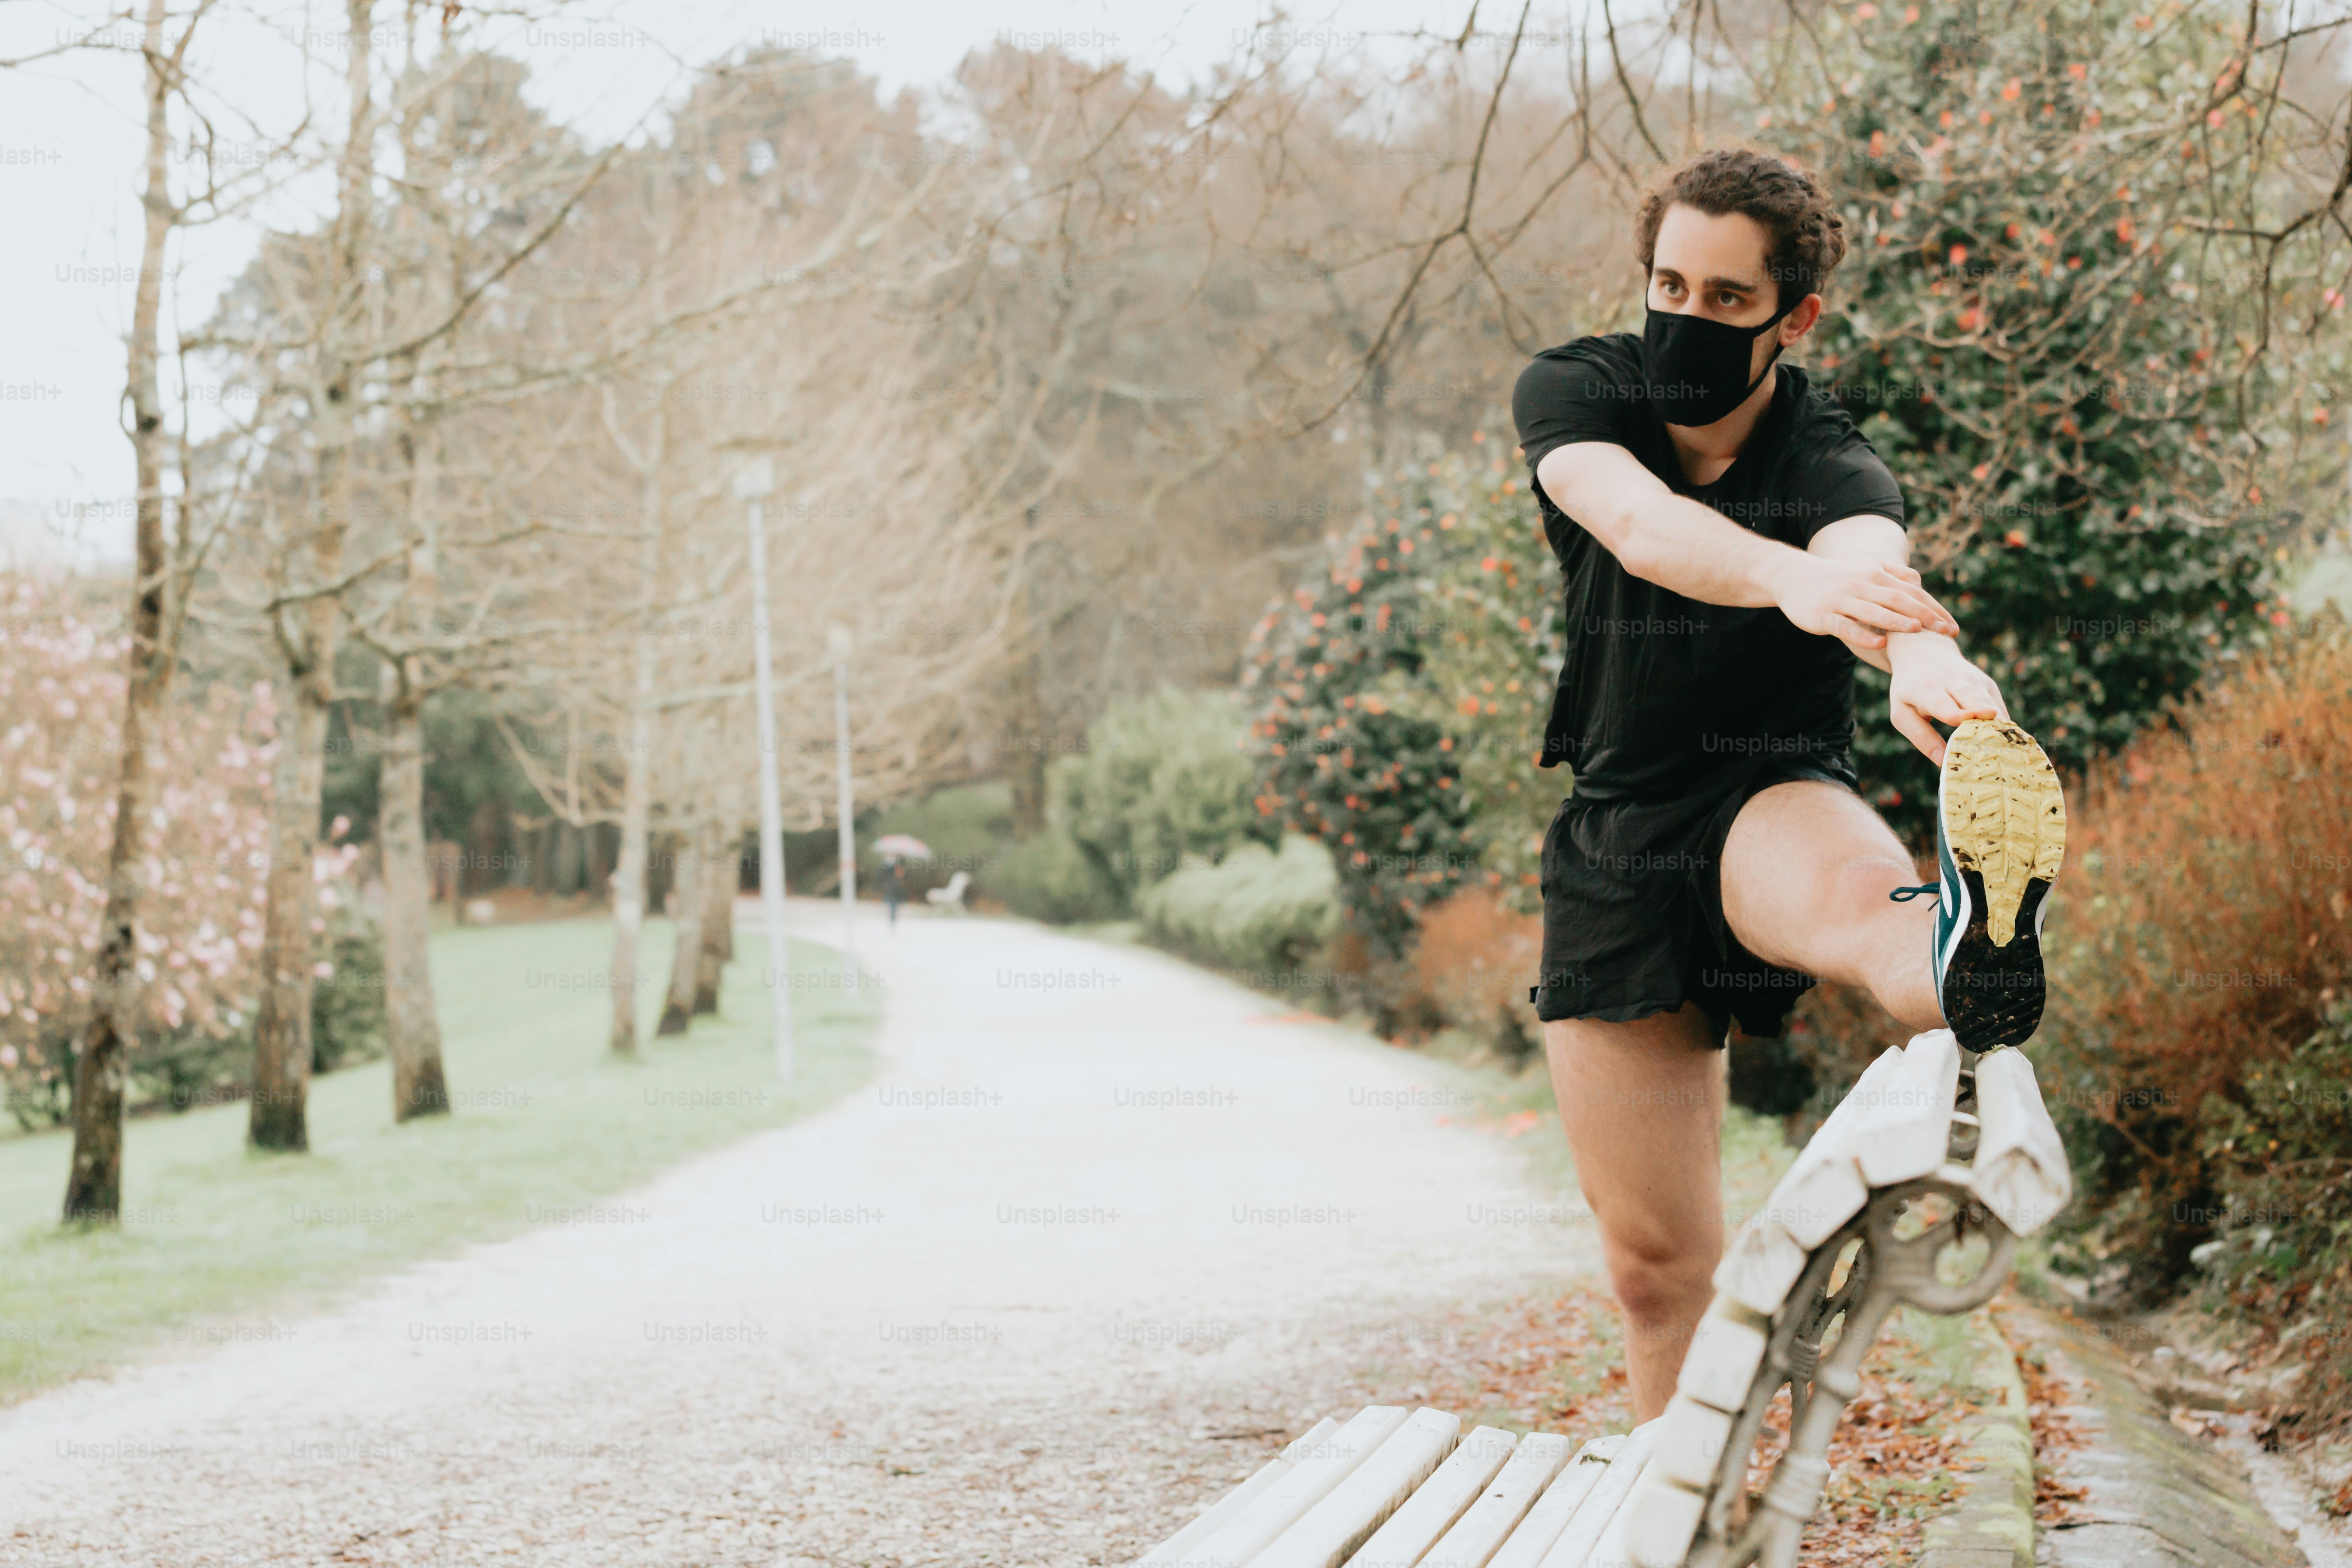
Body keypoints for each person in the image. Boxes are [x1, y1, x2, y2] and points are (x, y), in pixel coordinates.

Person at [1513, 147, 2067, 1422]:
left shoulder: (1832, 456)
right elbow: (1642, 525)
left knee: (1887, 940)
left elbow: (1875, 572)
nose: (1686, 317)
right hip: (1616, 835)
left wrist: (1933, 666)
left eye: (1724, 299)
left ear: (1792, 316)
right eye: (1670, 283)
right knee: (1657, 1267)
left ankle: (1981, 940)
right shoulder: (1579, 390)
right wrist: (1790, 581)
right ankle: (1679, 1528)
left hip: (1767, 797)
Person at [879, 855, 906, 931]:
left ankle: (893, 923)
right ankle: (892, 923)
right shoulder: (889, 870)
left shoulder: (899, 869)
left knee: (894, 909)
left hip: (896, 893)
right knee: (892, 908)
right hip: (891, 892)